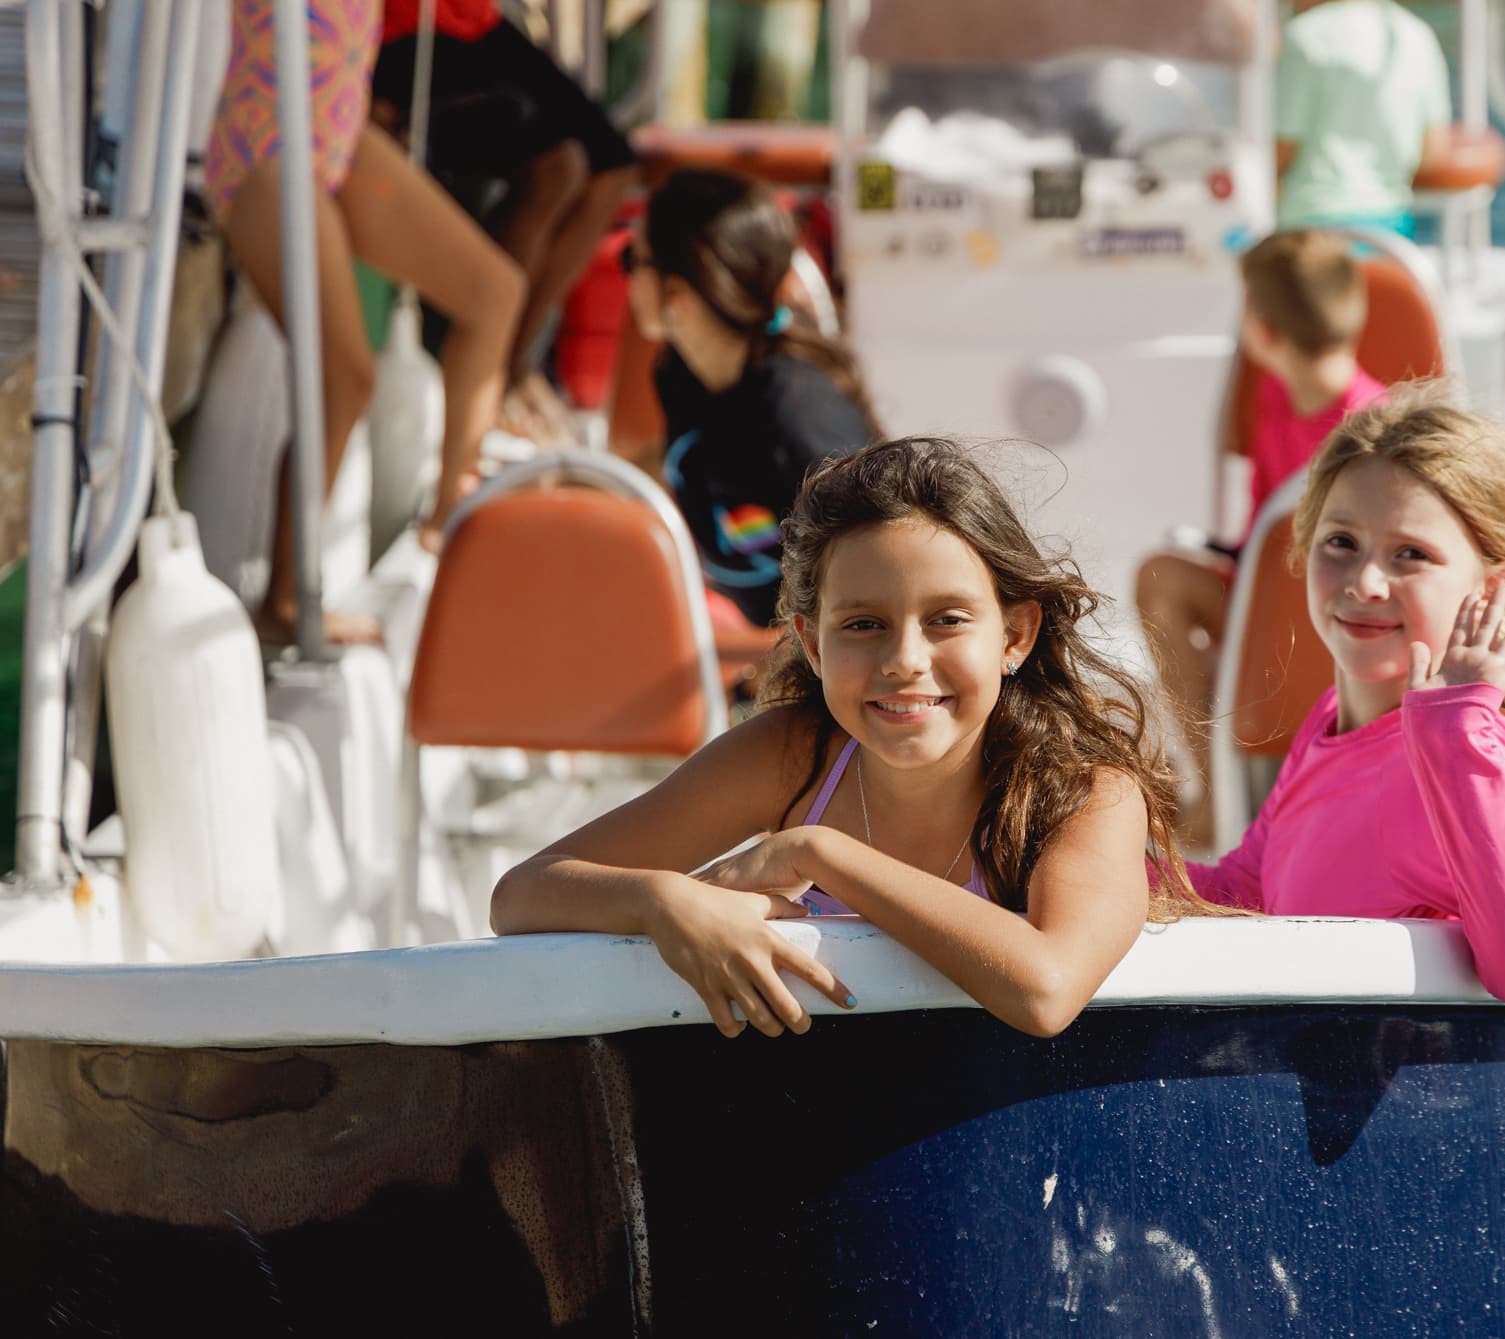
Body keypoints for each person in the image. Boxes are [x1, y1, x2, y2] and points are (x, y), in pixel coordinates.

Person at [491, 437, 1200, 1038]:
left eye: (947, 619)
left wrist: (817, 851)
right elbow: (520, 896)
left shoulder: (1087, 793)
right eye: (863, 624)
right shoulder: (790, 755)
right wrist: (663, 901)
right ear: (813, 643)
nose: (905, 659)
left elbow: (1045, 989)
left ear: (1015, 634)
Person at [1188, 389, 1505, 1016]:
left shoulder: (1465, 752)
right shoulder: (1331, 718)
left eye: (1411, 555)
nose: (1365, 582)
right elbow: (1246, 888)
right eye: (1341, 543)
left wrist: (1457, 730)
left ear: (1492, 587)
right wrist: (1073, 856)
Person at [205, 0, 524, 640]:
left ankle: (447, 529)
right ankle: (285, 602)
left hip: (335, 134)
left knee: (495, 292)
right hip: (269, 148)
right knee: (345, 380)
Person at [1134, 229, 1387, 846]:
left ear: (1266, 333)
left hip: (1343, 635)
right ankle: (1214, 799)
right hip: (1269, 607)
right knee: (1160, 576)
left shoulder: (1375, 437)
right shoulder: (1277, 393)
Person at [626, 169, 879, 628]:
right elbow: (685, 463)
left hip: (809, 656)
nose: (625, 277)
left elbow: (874, 580)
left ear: (677, 294)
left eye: (632, 259)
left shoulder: (800, 421)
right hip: (749, 640)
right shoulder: (680, 374)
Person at [371, 0, 641, 403]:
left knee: (612, 166)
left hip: (472, 19)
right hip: (404, 31)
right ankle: (493, 373)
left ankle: (509, 367)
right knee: (560, 169)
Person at [1275, 0, 1454, 237]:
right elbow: (1433, 151)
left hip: (1309, 230)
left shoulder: (1303, 36)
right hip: (1392, 228)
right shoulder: (1418, 35)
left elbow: (1280, 151)